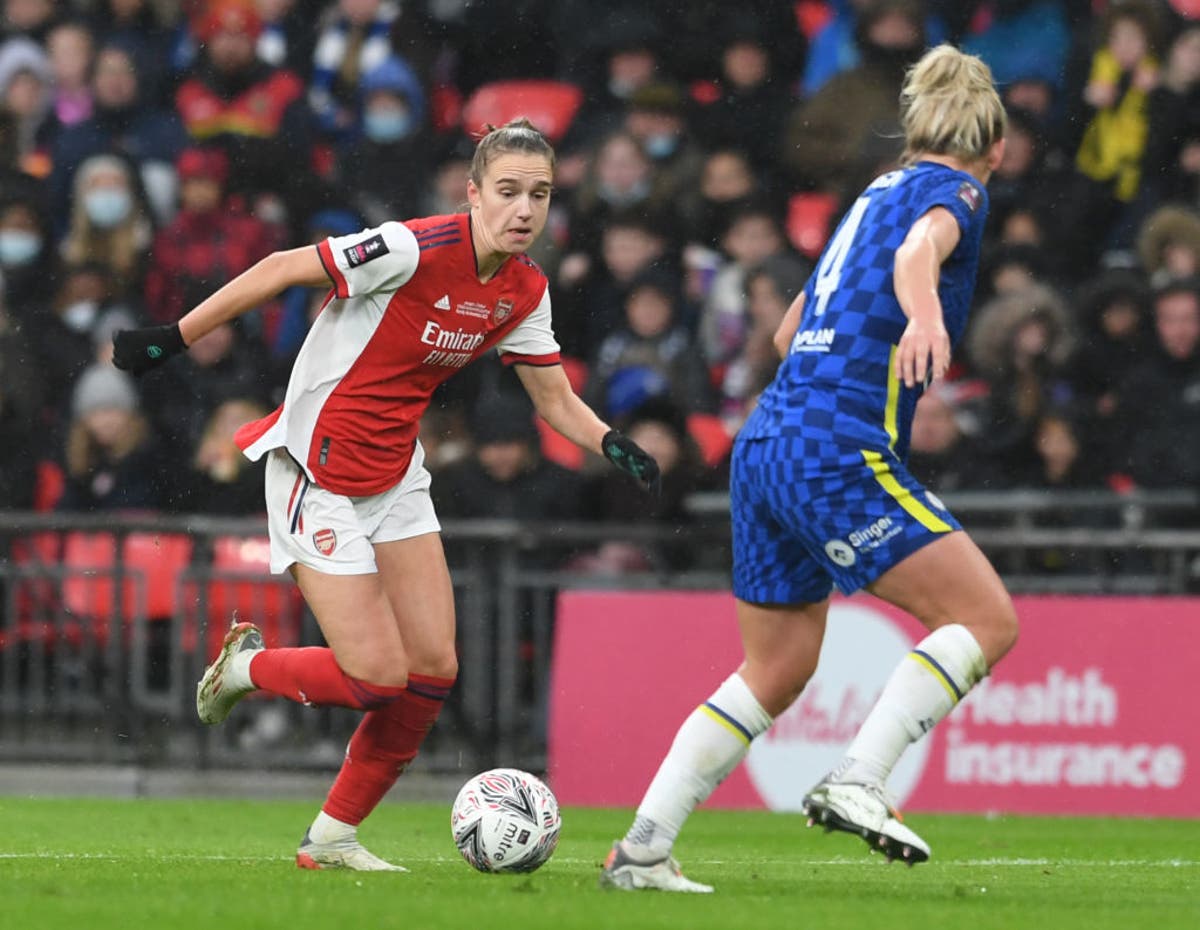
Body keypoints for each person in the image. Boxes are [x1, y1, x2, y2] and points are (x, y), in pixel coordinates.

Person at [111, 118, 660, 872]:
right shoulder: (411, 249)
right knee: (375, 679)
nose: (524, 209)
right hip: (317, 474)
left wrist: (609, 442)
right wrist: (173, 336)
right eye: (507, 192)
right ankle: (246, 669)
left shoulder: (525, 288)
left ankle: (332, 839)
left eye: (539, 194)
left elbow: (554, 397)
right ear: (472, 194)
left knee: (432, 670)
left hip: (397, 475)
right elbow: (278, 267)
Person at [601, 46, 1019, 893]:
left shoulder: (871, 194)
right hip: (832, 444)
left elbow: (791, 331)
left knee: (778, 667)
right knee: (985, 620)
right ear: (996, 148)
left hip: (765, 442)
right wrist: (926, 318)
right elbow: (917, 257)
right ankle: (860, 779)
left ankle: (642, 848)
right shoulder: (960, 191)